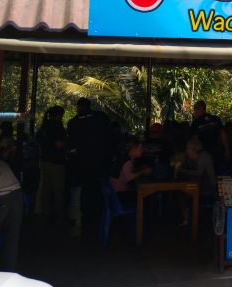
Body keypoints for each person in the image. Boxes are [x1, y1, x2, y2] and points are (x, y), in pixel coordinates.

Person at [67, 98, 111, 235]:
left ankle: (84, 218)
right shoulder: (100, 118)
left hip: (82, 164)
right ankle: (97, 216)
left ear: (79, 107)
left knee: (84, 191)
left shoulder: (74, 123)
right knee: (98, 189)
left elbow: (71, 144)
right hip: (99, 162)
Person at [175, 136, 216, 226]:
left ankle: (188, 220)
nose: (186, 151)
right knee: (182, 192)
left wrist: (181, 170)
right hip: (199, 184)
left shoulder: (204, 157)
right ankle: (186, 218)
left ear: (194, 149)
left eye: (188, 149)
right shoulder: (194, 156)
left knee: (184, 194)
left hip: (207, 187)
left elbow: (198, 174)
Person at [35, 106, 66, 223]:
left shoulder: (44, 126)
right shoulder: (57, 127)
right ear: (59, 115)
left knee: (45, 189)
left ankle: (45, 212)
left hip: (44, 161)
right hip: (56, 162)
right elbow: (58, 144)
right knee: (58, 189)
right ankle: (60, 214)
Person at [109, 139, 151, 206]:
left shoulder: (124, 157)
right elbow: (128, 178)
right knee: (145, 197)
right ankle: (141, 215)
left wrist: (140, 169)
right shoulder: (127, 161)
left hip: (114, 194)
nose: (143, 150)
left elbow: (127, 172)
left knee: (139, 192)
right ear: (133, 149)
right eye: (140, 148)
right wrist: (143, 171)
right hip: (119, 195)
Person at [190, 101, 230, 170]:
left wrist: (227, 149)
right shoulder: (216, 119)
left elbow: (195, 140)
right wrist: (227, 149)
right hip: (214, 152)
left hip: (206, 154)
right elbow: (223, 134)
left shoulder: (196, 122)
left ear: (201, 108)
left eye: (196, 109)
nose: (195, 111)